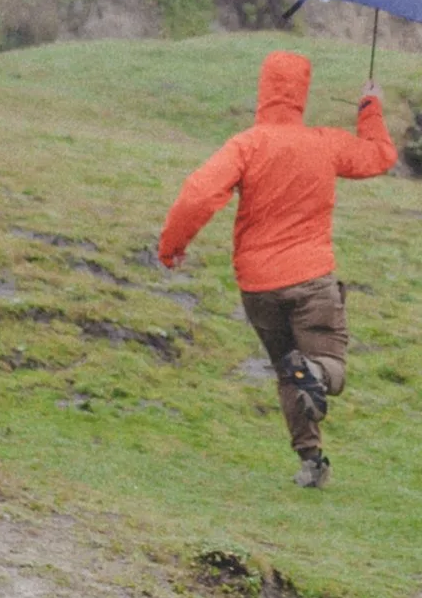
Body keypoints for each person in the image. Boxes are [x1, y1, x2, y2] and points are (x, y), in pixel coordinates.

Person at [156, 47, 397, 485]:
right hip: (311, 280)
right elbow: (378, 155)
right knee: (329, 369)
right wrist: (370, 106)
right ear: (302, 93)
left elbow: (198, 194)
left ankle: (312, 463)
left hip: (259, 287)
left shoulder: (246, 145)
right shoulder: (324, 143)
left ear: (263, 90)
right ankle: (316, 375)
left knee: (289, 368)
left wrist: (173, 246)